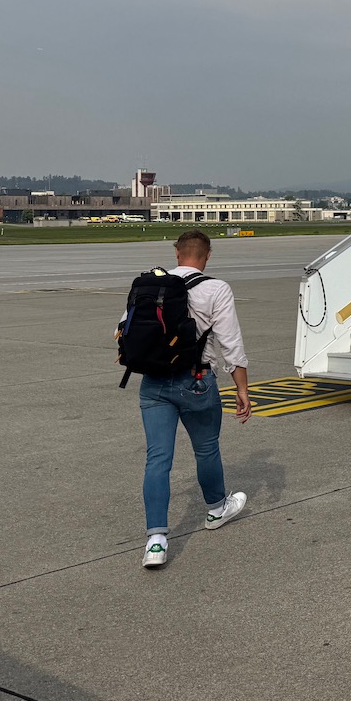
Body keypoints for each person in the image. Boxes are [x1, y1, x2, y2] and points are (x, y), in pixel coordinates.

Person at [138, 230, 252, 569]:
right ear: (208, 255)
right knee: (206, 448)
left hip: (153, 382)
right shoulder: (216, 289)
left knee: (158, 459)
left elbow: (127, 327)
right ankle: (216, 509)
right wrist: (242, 389)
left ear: (176, 253)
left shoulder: (150, 284)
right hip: (196, 381)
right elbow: (230, 343)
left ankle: (156, 542)